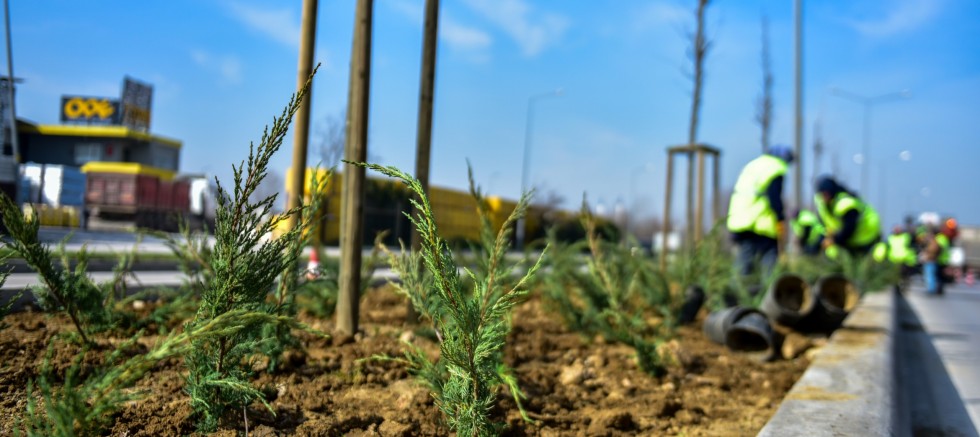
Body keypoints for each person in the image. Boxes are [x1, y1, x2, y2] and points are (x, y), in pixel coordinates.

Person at [727, 145, 793, 280]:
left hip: (738, 219)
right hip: (759, 221)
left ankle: (735, 293)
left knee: (744, 258)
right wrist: (780, 218)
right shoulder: (776, 168)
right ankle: (768, 292)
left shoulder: (755, 164)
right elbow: (774, 197)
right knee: (769, 257)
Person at [813, 176, 881, 258]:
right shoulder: (822, 204)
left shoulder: (846, 203)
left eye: (826, 193)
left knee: (858, 260)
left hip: (866, 233)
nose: (824, 197)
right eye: (822, 194)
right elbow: (823, 226)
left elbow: (849, 229)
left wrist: (834, 239)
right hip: (846, 238)